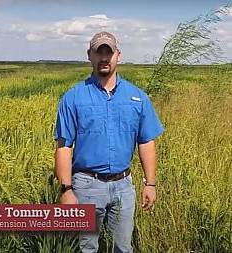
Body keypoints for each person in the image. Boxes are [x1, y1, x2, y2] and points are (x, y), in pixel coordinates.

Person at [54, 31, 164, 253]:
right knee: (87, 248)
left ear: (118, 56)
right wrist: (66, 189)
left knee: (123, 247)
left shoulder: (138, 97)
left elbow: (146, 142)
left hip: (124, 186)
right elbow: (64, 146)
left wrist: (150, 183)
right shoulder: (74, 97)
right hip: (86, 186)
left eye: (109, 52)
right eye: (99, 52)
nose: (104, 57)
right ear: (90, 56)